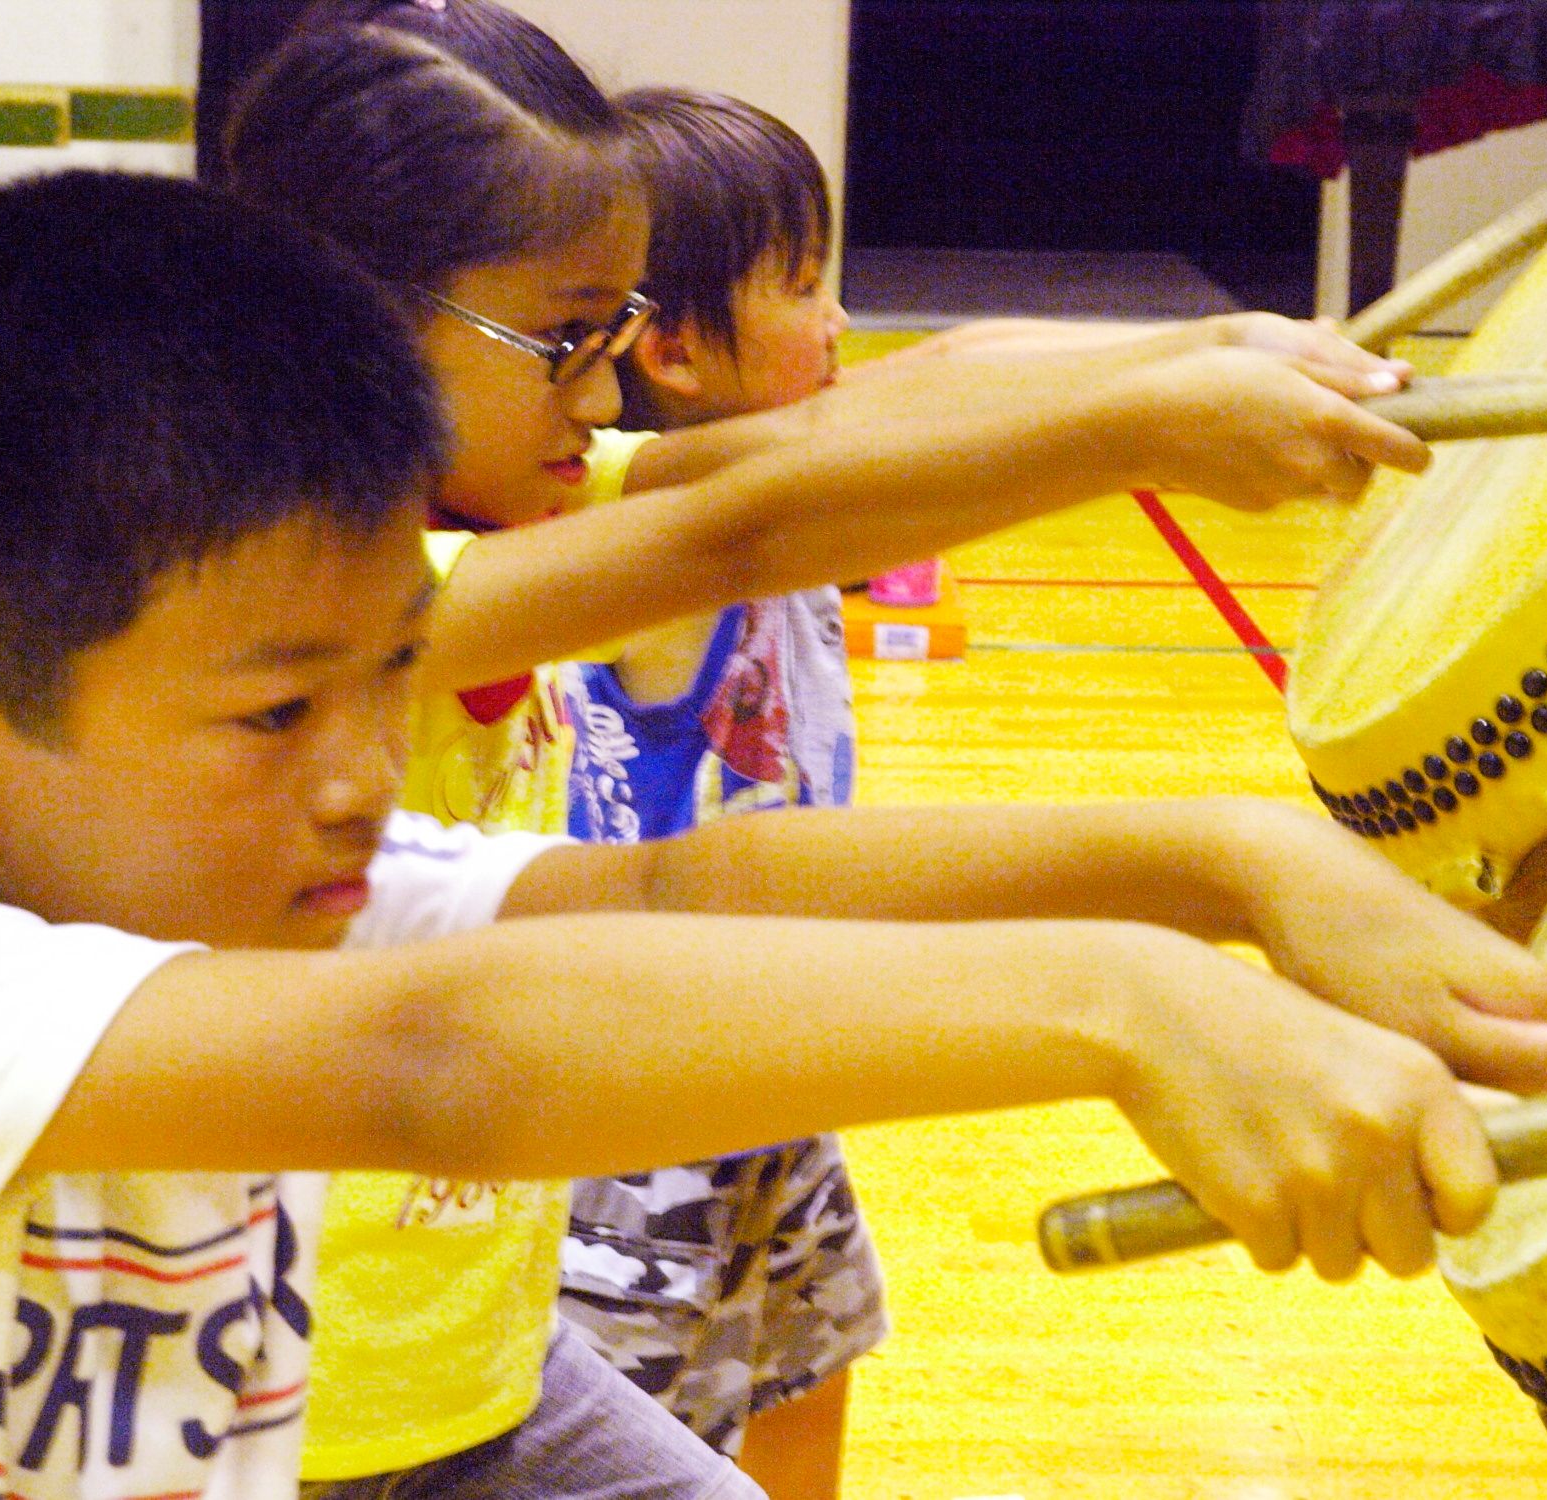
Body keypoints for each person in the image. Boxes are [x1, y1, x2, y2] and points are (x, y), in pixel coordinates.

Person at [0, 168, 1547, 1500]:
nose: (363, 774)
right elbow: (445, 1060)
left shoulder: (260, 882)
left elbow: (672, 882)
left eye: (394, 678)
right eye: (279, 712)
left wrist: (1231, 866)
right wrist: (1127, 1002)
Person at [216, 10, 1428, 1497]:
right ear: (342, 321)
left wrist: (1194, 350)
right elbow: (750, 529)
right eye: (564, 341)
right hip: (295, 1432)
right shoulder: (321, 609)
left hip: (485, 1376)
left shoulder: (505, 501)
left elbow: (826, 437)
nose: (604, 398)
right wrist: (1139, 438)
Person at [558, 85, 879, 1500]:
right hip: (633, 1150)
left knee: (807, 1386)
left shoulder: (801, 528)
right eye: (804, 285)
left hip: (779, 1089)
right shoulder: (656, 542)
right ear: (674, 348)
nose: (842, 323)